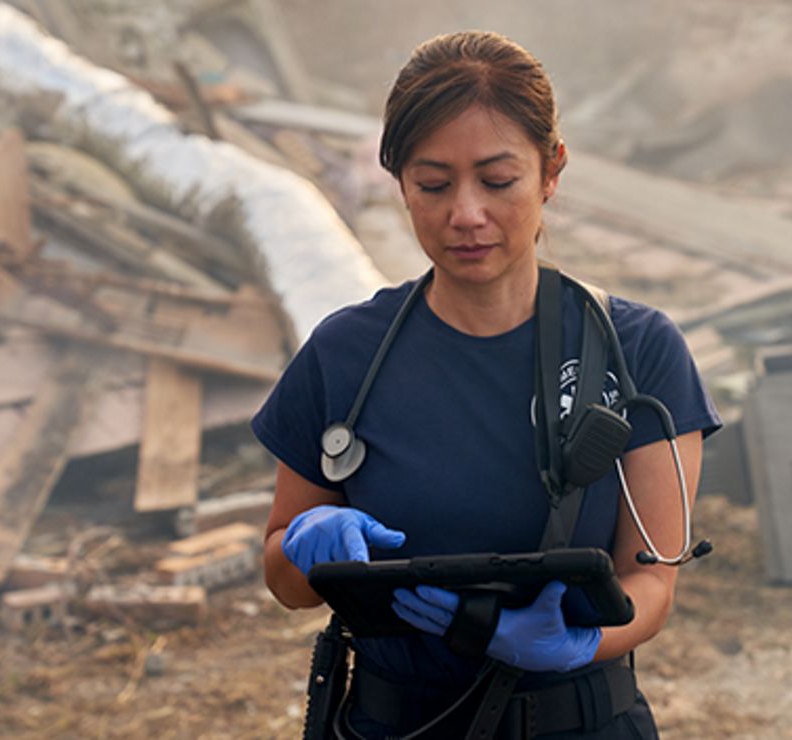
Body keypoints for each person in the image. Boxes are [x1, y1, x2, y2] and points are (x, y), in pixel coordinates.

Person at [252, 30, 722, 739]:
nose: (465, 214)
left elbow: (652, 584)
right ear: (399, 180)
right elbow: (285, 582)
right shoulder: (345, 355)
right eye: (433, 184)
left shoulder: (633, 352)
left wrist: (580, 644)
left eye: (498, 181)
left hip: (578, 723)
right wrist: (301, 544)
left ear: (551, 171)